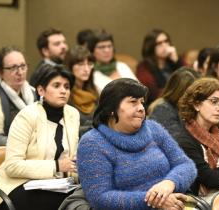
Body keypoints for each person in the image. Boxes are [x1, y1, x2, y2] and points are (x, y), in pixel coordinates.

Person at [77, 78, 197, 210]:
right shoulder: (92, 143)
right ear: (111, 108)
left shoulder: (154, 128)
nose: (141, 108)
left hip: (176, 203)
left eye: (142, 102)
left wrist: (169, 183)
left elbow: (186, 164)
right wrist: (155, 200)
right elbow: (100, 198)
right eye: (133, 102)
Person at [0, 64, 80, 210]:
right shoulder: (26, 116)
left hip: (57, 184)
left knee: (85, 195)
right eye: (56, 85)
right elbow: (12, 166)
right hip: (18, 185)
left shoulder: (72, 114)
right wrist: (56, 165)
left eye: (67, 86)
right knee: (65, 202)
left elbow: (70, 158)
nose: (63, 91)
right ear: (41, 90)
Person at [0, 46, 35, 147]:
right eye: (13, 68)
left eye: (23, 66)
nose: (20, 72)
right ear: (0, 72)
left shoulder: (34, 92)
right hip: (5, 157)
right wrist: (30, 146)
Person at [148, 67, 200, 137]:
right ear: (180, 92)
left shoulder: (188, 109)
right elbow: (179, 141)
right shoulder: (163, 109)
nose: (198, 97)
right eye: (193, 93)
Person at [136, 29, 180, 105]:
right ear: (151, 47)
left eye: (166, 41)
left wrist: (177, 61)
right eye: (159, 43)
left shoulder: (173, 62)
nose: (164, 46)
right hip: (158, 105)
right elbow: (153, 94)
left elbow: (189, 81)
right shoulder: (144, 67)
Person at [87, 29, 137, 93]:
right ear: (92, 51)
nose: (107, 50)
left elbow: (140, 88)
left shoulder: (121, 66)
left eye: (109, 46)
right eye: (101, 47)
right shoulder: (90, 72)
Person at [65, 45, 98, 136]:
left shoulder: (95, 92)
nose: (87, 69)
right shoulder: (64, 94)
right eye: (81, 64)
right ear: (70, 67)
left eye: (89, 64)